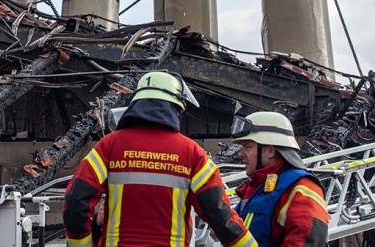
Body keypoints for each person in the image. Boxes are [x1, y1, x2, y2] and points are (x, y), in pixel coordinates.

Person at [63, 71, 257, 247]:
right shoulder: (192, 154)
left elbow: (75, 201)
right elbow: (219, 215)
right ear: (177, 108)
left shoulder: (109, 146)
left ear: (136, 103)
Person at [231, 112, 329, 247]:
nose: (241, 154)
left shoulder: (302, 187)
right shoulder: (256, 188)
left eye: (247, 147)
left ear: (270, 151)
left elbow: (308, 240)